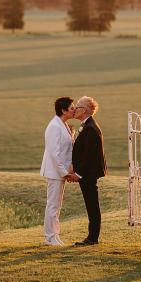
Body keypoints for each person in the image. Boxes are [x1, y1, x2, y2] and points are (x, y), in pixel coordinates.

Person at [39, 97, 76, 246]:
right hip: (55, 172)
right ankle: (50, 237)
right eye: (72, 108)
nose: (74, 110)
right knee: (53, 205)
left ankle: (55, 235)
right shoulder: (54, 126)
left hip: (59, 172)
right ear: (63, 110)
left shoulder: (63, 124)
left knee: (56, 205)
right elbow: (54, 153)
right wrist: (64, 172)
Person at [71, 96, 107, 246]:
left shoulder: (90, 128)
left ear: (84, 110)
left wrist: (78, 174)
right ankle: (92, 236)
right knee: (91, 204)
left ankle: (92, 238)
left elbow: (88, 156)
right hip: (86, 173)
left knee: (92, 205)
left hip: (88, 174)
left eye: (77, 107)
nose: (74, 109)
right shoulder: (87, 125)